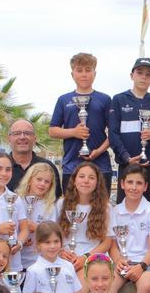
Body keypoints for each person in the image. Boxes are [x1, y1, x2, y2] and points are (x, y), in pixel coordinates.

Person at [48, 52, 113, 192]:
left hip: (101, 165)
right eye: (79, 70)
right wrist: (73, 132)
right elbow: (52, 130)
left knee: (101, 209)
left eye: (88, 70)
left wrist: (99, 151)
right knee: (71, 210)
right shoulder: (64, 100)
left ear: (94, 74)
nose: (84, 74)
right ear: (72, 74)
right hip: (72, 165)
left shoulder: (105, 99)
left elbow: (113, 132)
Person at [108, 57, 150, 205]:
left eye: (148, 74)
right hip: (127, 165)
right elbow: (113, 134)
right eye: (140, 72)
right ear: (132, 75)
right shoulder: (118, 99)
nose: (144, 77)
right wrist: (126, 157)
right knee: (125, 210)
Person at [109, 164, 150, 293]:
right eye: (130, 182)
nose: (134, 187)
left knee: (146, 286)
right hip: (122, 262)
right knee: (106, 285)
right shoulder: (114, 211)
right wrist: (118, 260)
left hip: (147, 262)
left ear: (145, 186)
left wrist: (141, 267)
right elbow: (112, 245)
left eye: (139, 183)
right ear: (122, 184)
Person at [57, 161, 113, 275]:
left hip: (93, 256)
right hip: (65, 256)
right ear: (74, 180)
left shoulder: (106, 207)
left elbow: (107, 242)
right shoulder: (61, 203)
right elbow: (54, 234)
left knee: (81, 286)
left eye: (91, 177)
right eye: (81, 176)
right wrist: (60, 252)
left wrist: (86, 258)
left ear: (97, 182)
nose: (86, 180)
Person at [22, 222, 85, 293]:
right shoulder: (33, 270)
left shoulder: (68, 266)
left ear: (61, 242)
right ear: (38, 244)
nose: (52, 246)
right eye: (47, 242)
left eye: (56, 241)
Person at [15, 162, 59, 269]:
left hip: (38, 261)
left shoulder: (50, 207)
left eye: (47, 182)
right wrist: (21, 240)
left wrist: (37, 228)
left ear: (50, 186)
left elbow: (52, 234)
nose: (42, 184)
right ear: (30, 180)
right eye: (39, 179)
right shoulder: (16, 200)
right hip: (16, 259)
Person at [7, 118, 62, 198]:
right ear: (9, 138)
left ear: (34, 139)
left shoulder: (48, 167)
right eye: (17, 133)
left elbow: (55, 199)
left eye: (27, 133)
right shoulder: (1, 168)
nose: (22, 137)